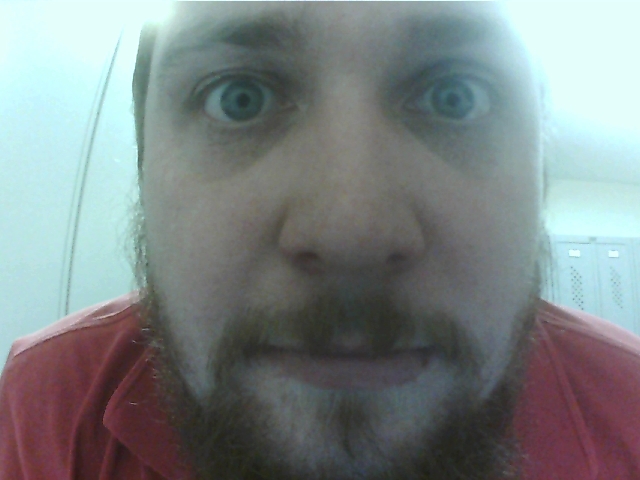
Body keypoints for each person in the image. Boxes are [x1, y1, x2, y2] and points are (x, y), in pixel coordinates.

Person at [1, 2, 640, 479]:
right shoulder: (47, 408)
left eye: (455, 97)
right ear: (146, 164)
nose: (350, 231)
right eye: (240, 98)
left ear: (540, 171)